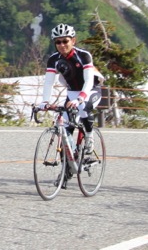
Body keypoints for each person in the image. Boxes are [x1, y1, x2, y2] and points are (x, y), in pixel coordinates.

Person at [39, 23, 104, 185]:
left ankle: (89, 138)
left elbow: (89, 80)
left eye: (65, 41)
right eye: (58, 42)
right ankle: (66, 171)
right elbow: (48, 83)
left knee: (83, 107)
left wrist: (81, 97)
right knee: (64, 132)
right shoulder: (54, 59)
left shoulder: (83, 55)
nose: (62, 45)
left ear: (73, 40)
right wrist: (44, 102)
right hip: (71, 93)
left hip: (91, 90)